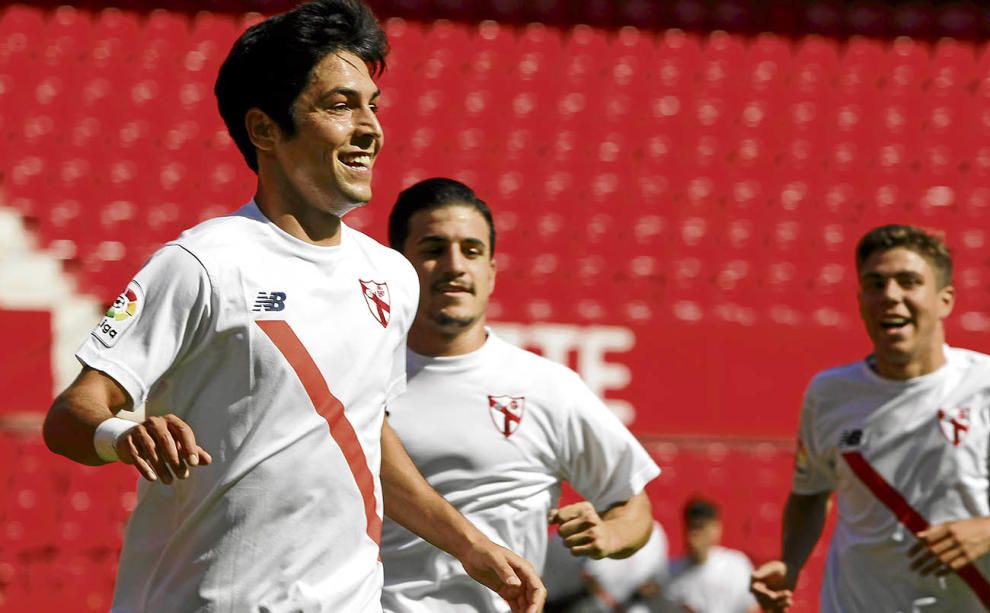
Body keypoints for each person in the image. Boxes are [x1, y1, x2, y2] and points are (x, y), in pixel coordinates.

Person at [41, 3, 544, 611]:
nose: (370, 128)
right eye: (340, 105)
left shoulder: (392, 276)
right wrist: (124, 434)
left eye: (373, 105)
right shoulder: (202, 264)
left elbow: (362, 435)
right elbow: (70, 415)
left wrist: (470, 545)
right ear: (264, 130)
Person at [379, 177, 661, 612]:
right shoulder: (356, 379)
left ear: (491, 271)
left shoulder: (547, 386)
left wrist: (608, 534)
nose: (455, 265)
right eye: (434, 249)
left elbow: (633, 506)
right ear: (398, 267)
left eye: (472, 251)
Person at [751, 224, 990, 611]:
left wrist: (987, 530)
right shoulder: (829, 394)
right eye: (876, 284)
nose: (890, 295)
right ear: (861, 299)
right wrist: (790, 564)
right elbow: (810, 493)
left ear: (944, 301)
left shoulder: (984, 386)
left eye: (908, 282)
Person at [543, 520, 669, 612]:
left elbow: (655, 584)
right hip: (567, 598)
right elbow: (588, 577)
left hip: (623, 603)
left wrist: (647, 589)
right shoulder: (591, 529)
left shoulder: (654, 533)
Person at [659, 498, 757, 613]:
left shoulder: (737, 566)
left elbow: (751, 608)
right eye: (692, 527)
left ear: (716, 528)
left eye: (701, 527)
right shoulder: (671, 572)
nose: (696, 534)